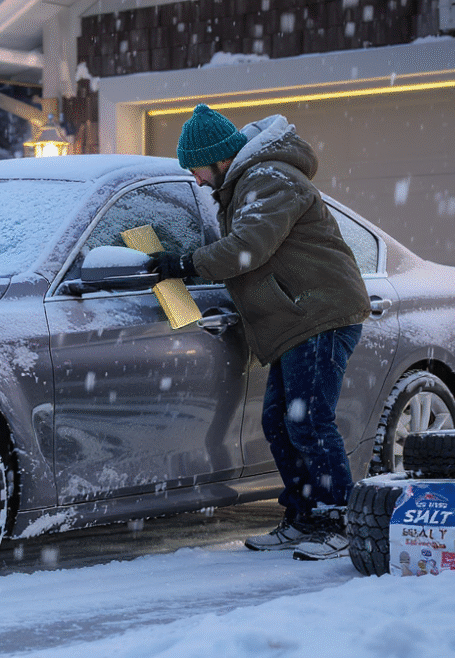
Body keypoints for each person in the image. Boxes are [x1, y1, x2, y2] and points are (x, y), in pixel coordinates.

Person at [148, 104, 369, 561]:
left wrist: (187, 263)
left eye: (197, 169)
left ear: (219, 159)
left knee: (309, 422)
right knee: (279, 422)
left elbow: (248, 249)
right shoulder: (249, 182)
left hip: (319, 316)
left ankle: (338, 519)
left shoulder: (270, 178)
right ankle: (304, 517)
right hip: (297, 320)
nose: (197, 180)